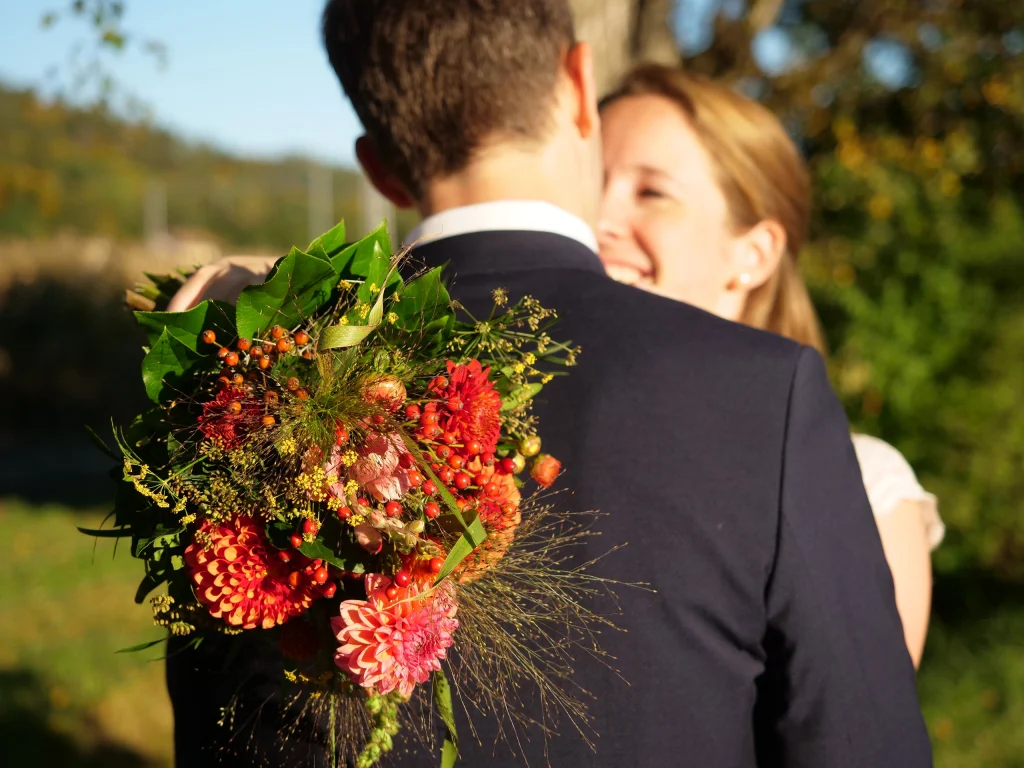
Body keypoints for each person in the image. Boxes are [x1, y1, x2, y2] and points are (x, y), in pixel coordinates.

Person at [166, 1, 933, 765]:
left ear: (379, 167)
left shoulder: (244, 396)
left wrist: (251, 340)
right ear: (578, 81)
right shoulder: (768, 396)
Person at [597, 64, 944, 667]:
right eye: (586, 188)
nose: (596, 222)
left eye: (652, 192)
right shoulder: (521, 453)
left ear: (753, 254)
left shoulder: (861, 487)